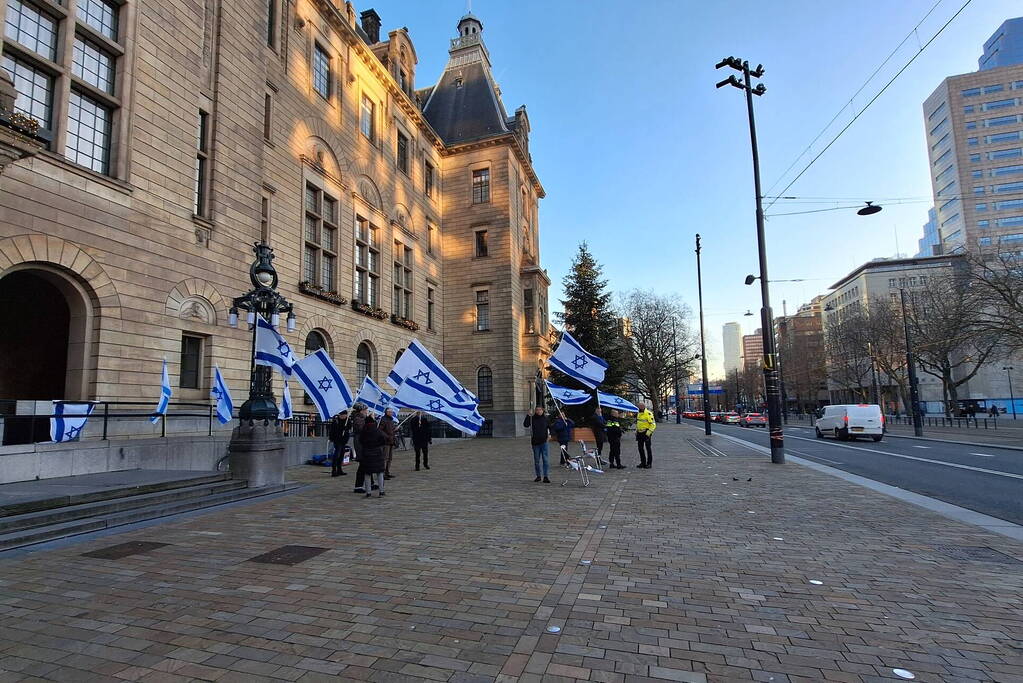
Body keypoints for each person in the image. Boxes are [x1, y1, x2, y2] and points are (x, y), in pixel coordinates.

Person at [358, 416, 387, 498]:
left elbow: (361, 441)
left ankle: (368, 492)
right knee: (380, 473)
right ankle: (381, 491)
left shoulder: (364, 431)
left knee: (367, 474)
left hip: (366, 453)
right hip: (377, 453)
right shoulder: (377, 430)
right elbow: (383, 440)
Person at [523, 406, 552, 483]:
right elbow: (526, 425)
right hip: (535, 442)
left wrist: (550, 435)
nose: (538, 411)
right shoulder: (532, 419)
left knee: (545, 460)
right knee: (537, 460)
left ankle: (545, 476)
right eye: (537, 410)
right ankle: (538, 476)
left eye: (540, 410)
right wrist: (528, 415)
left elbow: (551, 428)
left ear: (543, 411)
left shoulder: (546, 419)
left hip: (544, 442)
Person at [350, 405, 370, 494]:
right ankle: (358, 486)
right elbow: (362, 429)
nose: (367, 411)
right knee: (363, 464)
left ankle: (370, 483)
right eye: (366, 409)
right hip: (361, 443)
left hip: (363, 442)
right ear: (361, 410)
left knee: (368, 463)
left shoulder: (362, 418)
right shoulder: (358, 419)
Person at [327, 410, 350, 477]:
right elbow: (333, 430)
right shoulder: (336, 421)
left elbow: (349, 427)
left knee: (342, 455)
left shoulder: (347, 420)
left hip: (344, 440)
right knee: (337, 454)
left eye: (344, 415)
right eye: (342, 415)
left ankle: (339, 469)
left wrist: (346, 428)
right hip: (337, 440)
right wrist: (331, 438)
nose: (343, 416)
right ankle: (334, 470)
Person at [635, 401, 656, 468]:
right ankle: (643, 462)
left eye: (641, 406)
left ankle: (649, 463)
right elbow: (638, 423)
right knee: (640, 448)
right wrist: (636, 431)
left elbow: (653, 424)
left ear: (644, 406)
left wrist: (648, 433)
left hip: (646, 432)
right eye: (639, 406)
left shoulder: (648, 413)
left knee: (648, 448)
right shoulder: (639, 413)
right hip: (639, 432)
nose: (640, 407)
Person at [379, 407, 397, 479]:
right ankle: (382, 473)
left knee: (390, 458)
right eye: (390, 412)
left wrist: (395, 430)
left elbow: (391, 430)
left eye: (392, 412)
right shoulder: (383, 420)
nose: (392, 413)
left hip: (391, 441)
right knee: (385, 458)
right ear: (387, 412)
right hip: (386, 442)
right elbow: (380, 430)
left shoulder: (391, 420)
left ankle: (387, 472)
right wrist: (387, 436)